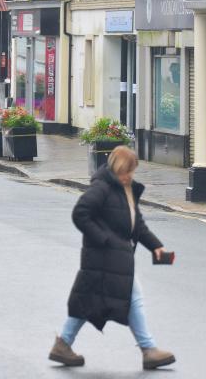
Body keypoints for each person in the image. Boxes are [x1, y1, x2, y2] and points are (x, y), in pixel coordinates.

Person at [49, 146, 176, 371]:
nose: (129, 175)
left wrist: (156, 246)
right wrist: (104, 239)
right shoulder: (103, 188)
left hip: (115, 258)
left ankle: (63, 344)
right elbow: (80, 213)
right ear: (117, 168)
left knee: (90, 301)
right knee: (130, 298)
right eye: (126, 171)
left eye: (132, 171)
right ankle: (148, 349)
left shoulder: (126, 189)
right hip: (102, 257)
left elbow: (137, 224)